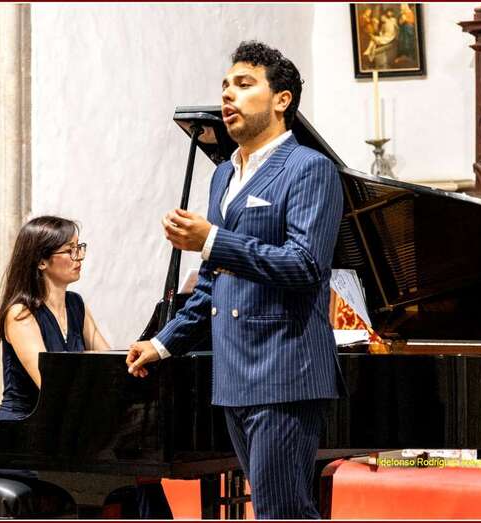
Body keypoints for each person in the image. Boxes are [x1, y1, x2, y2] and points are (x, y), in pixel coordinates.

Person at [126, 41, 345, 519]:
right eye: (225, 86)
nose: (228, 96)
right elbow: (210, 283)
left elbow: (305, 265)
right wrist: (162, 344)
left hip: (285, 373)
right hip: (233, 374)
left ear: (282, 100)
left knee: (281, 512)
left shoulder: (310, 169)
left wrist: (213, 239)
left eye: (244, 85)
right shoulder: (223, 175)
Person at [0, 215, 172, 519]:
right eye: (70, 251)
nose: (79, 257)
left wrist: (142, 358)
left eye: (79, 248)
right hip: (23, 440)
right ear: (41, 261)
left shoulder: (76, 305)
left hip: (65, 435)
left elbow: (108, 363)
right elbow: (51, 386)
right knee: (125, 477)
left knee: (144, 476)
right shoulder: (20, 313)